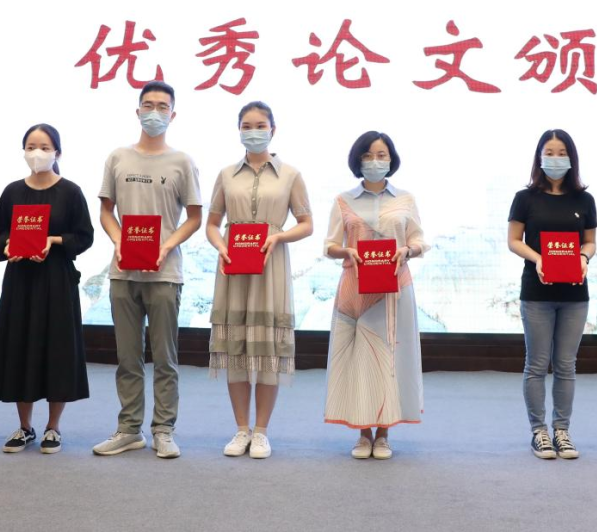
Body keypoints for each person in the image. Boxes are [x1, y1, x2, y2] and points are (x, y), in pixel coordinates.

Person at [92, 81, 202, 459]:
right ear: (137, 111)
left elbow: (194, 217)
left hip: (164, 274)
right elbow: (106, 211)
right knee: (128, 357)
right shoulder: (118, 157)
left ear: (173, 114)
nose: (155, 112)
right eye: (148, 105)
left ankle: (164, 429)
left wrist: (167, 245)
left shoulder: (182, 162)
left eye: (162, 106)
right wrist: (118, 240)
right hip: (123, 272)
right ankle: (129, 429)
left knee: (165, 357)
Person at [206, 101, 313, 460]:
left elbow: (306, 224)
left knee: (267, 350)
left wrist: (278, 236)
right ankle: (241, 429)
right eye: (247, 126)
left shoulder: (290, 175)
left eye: (261, 125)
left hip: (271, 265)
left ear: (273, 130)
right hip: (233, 265)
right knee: (236, 347)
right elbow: (212, 224)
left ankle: (262, 431)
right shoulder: (226, 174)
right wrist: (221, 245)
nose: (254, 132)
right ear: (239, 131)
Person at [0, 124, 94, 454]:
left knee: (57, 349)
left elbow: (85, 236)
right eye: (31, 146)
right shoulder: (12, 191)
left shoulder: (71, 192)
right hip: (21, 280)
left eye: (45, 147)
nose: (37, 153)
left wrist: (53, 241)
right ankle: (25, 427)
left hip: (57, 280)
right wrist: (7, 246)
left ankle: (53, 427)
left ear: (57, 152)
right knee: (20, 347)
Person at [323, 131, 429, 460]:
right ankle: (362, 433)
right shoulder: (343, 200)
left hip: (395, 289)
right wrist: (345, 251)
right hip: (356, 290)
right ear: (358, 160)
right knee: (360, 361)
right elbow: (329, 245)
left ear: (391, 159)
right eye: (368, 156)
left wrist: (409, 250)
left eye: (381, 155)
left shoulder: (406, 199)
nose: (375, 161)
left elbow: (419, 239)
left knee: (391, 358)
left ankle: (384, 434)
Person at [508, 130, 597, 460]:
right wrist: (539, 259)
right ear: (539, 157)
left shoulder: (585, 200)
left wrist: (583, 257)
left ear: (571, 158)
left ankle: (562, 430)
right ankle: (539, 432)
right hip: (537, 292)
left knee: (566, 365)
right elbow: (514, 240)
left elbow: (590, 242)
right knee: (536, 364)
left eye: (562, 153)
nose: (555, 158)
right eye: (549, 152)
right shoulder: (525, 198)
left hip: (575, 294)